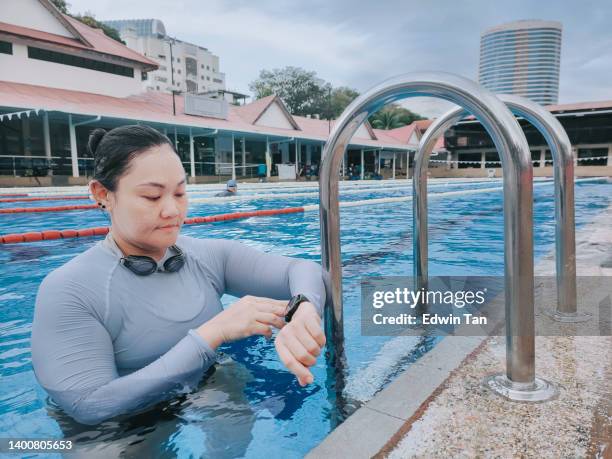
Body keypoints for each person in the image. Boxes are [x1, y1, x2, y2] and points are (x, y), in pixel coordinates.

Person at [31, 125, 327, 426]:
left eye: (180, 193)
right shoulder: (69, 289)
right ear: (102, 194)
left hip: (205, 392)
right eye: (152, 196)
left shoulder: (206, 256)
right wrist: (212, 334)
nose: (173, 210)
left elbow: (302, 270)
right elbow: (88, 406)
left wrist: (304, 307)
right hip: (119, 431)